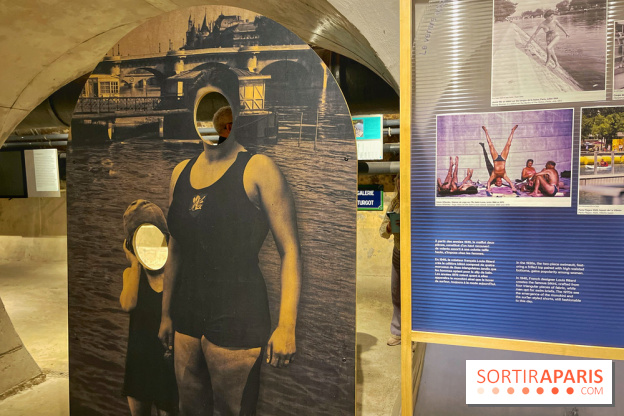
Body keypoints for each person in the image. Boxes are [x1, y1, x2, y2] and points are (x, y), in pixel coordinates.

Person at [159, 106, 302, 416]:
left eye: (217, 110)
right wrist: (166, 313)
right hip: (186, 311)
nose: (209, 121)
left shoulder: (257, 168)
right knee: (188, 410)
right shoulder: (179, 173)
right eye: (202, 112)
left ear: (233, 114)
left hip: (238, 312)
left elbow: (289, 250)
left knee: (232, 412)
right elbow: (176, 247)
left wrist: (287, 325)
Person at [120, 200, 178, 416]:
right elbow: (128, 304)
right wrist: (134, 264)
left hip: (167, 364)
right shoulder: (132, 276)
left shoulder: (175, 276)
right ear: (131, 246)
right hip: (139, 361)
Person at [380, 175, 401, 346]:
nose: (401, 189)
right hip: (398, 253)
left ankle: (415, 335)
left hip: (416, 255)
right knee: (396, 294)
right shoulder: (394, 202)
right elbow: (383, 230)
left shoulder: (418, 201)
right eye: (398, 185)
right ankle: (398, 331)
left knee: (415, 296)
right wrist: (389, 226)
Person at [480, 125, 518, 193]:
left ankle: (485, 132)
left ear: (496, 182)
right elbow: (510, 182)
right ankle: (513, 131)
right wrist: (513, 188)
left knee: (490, 145)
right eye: (501, 183)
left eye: (499, 183)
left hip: (495, 159)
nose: (500, 182)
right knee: (508, 144)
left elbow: (488, 182)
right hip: (503, 159)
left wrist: (488, 188)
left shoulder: (493, 175)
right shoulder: (504, 175)